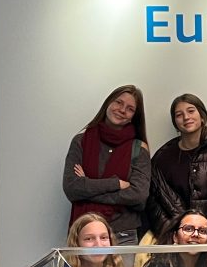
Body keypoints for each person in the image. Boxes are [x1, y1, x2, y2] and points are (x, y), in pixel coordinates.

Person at [62, 86, 150, 245]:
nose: (122, 110)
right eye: (118, 102)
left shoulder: (139, 148)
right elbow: (72, 188)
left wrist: (87, 186)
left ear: (133, 116)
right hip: (84, 234)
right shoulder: (81, 141)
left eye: (130, 109)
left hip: (124, 235)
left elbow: (138, 195)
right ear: (108, 103)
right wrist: (115, 184)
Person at [146, 95, 207, 242]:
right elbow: (154, 203)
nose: (186, 117)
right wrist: (174, 235)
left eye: (191, 111)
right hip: (174, 242)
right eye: (179, 115)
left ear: (202, 116)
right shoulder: (163, 157)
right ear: (175, 123)